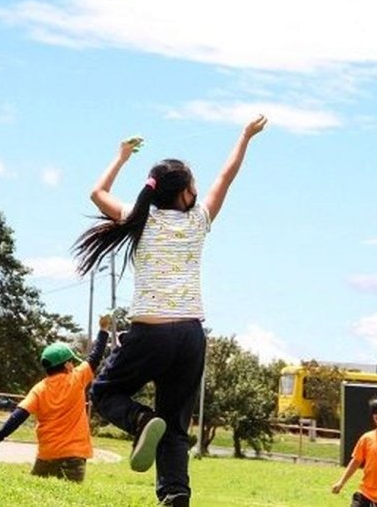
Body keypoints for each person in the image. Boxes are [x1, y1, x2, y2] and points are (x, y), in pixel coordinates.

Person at [74, 115, 268, 507]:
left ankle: (142, 421)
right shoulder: (199, 221)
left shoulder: (139, 218)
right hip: (191, 336)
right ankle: (176, 495)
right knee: (176, 425)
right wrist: (245, 136)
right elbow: (226, 177)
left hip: (151, 332)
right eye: (193, 185)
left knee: (105, 390)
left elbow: (96, 192)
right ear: (184, 195)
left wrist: (121, 157)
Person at [0, 315, 111, 482]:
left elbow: (19, 414)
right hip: (74, 455)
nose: (73, 365)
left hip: (47, 455)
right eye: (72, 362)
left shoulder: (39, 389)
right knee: (70, 499)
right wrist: (103, 329)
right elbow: (95, 357)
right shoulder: (76, 378)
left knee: (35, 495)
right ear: (67, 365)